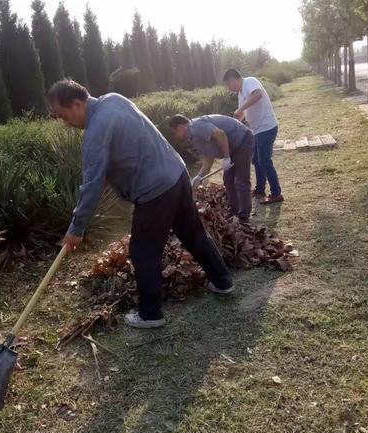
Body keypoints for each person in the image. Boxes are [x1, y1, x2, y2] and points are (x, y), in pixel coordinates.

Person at [48, 79, 234, 329]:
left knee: (143, 250)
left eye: (63, 116)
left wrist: (76, 228)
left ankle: (150, 313)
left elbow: (92, 181)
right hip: (177, 174)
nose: (66, 124)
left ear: (77, 104)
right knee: (193, 233)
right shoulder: (114, 99)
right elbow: (126, 147)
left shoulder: (95, 132)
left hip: (155, 189)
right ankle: (222, 281)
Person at [169, 114, 254, 222]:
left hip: (242, 139)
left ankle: (243, 216)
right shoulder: (194, 137)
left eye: (174, 132)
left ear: (180, 127)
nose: (175, 136)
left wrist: (227, 157)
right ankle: (233, 211)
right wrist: (199, 177)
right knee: (228, 180)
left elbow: (221, 134)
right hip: (232, 147)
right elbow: (208, 159)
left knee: (241, 180)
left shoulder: (196, 126)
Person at [223, 68, 284, 204]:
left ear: (233, 79)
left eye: (228, 84)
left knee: (265, 160)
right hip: (257, 130)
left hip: (266, 127)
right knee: (256, 160)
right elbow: (242, 113)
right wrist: (234, 122)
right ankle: (260, 189)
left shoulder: (249, 81)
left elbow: (257, 95)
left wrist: (240, 109)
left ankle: (276, 193)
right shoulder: (240, 93)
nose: (228, 88)